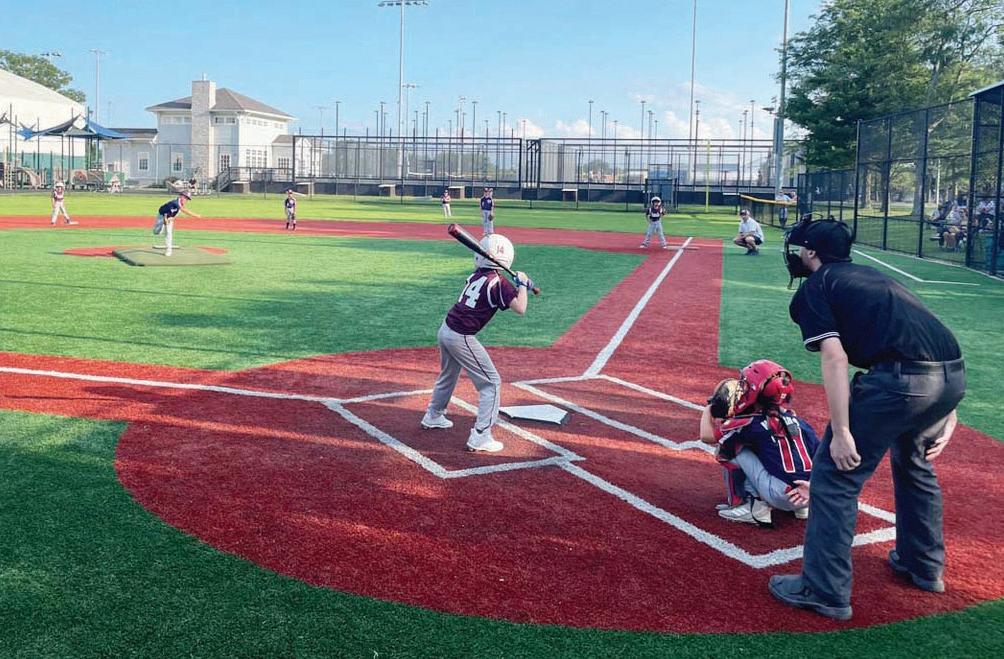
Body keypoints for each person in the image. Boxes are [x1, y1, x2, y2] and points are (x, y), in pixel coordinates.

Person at [769, 217, 965, 621]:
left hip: (901, 383)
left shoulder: (817, 287)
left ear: (811, 253)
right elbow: (926, 336)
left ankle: (823, 590)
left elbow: (835, 358)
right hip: (949, 376)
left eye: (802, 248)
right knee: (915, 464)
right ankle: (923, 565)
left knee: (834, 478)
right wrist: (947, 404)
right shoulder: (872, 276)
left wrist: (841, 432)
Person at [421, 233, 534, 453]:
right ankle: (481, 435)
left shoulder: (477, 275)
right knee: (491, 383)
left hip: (446, 329)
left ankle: (433, 415)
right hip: (461, 336)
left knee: (448, 374)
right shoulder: (500, 283)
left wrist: (518, 284)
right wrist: (522, 285)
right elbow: (521, 308)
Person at [701, 360, 817, 527]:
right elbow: (824, 458)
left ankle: (752, 506)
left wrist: (709, 407)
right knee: (783, 450)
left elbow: (707, 436)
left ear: (757, 392)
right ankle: (801, 510)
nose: (743, 388)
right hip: (809, 494)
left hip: (780, 495)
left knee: (728, 447)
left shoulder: (751, 422)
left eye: (747, 385)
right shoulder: (798, 420)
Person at [153, 191, 202, 257]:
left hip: (170, 217)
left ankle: (169, 250)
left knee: (168, 232)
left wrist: (171, 219)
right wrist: (196, 215)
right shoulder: (174, 202)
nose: (186, 200)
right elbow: (183, 210)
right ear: (181, 196)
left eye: (187, 199)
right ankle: (160, 229)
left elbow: (175, 213)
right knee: (156, 232)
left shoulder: (180, 205)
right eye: (185, 198)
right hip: (161, 215)